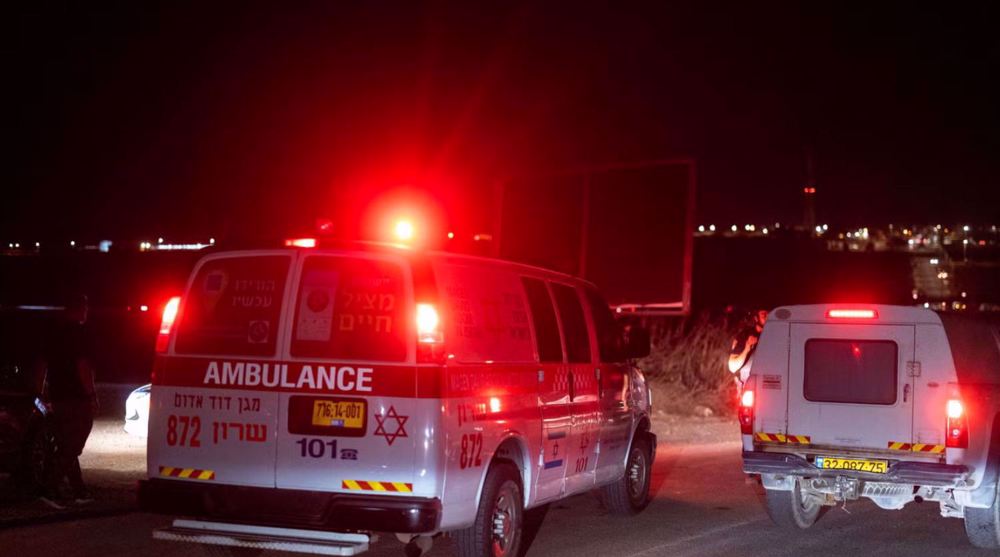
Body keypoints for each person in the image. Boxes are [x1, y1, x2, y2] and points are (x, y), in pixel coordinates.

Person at [40, 294, 98, 508]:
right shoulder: (79, 334)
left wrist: (41, 392)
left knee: (66, 444)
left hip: (58, 396)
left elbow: (43, 364)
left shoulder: (53, 334)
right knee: (74, 444)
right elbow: (83, 366)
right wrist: (91, 394)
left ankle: (78, 490)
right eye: (85, 307)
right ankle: (49, 487)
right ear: (79, 309)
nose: (87, 311)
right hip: (76, 397)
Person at [728, 309, 768, 389]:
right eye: (764, 315)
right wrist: (747, 348)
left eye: (770, 314)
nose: (767, 317)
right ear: (756, 318)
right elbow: (732, 367)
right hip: (747, 385)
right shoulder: (745, 335)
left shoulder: (777, 336)